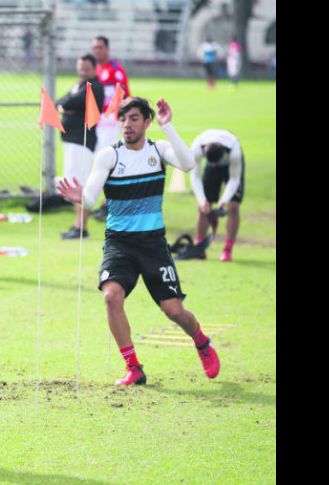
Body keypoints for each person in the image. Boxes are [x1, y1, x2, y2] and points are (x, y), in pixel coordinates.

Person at [56, 96, 221, 386]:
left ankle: (201, 341)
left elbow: (187, 164)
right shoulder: (109, 156)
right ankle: (134, 367)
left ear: (147, 122)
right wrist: (79, 197)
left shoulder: (159, 150)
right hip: (119, 244)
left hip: (153, 244)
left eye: (134, 119)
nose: (127, 125)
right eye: (124, 120)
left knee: (173, 310)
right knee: (111, 297)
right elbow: (91, 197)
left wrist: (168, 125)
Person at [55, 53, 104, 240]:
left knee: (80, 184)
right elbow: (60, 102)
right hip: (72, 142)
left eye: (86, 69)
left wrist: (67, 107)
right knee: (75, 183)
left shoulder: (94, 87)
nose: (83, 72)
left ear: (94, 69)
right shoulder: (79, 85)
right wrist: (66, 107)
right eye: (81, 68)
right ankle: (78, 226)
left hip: (82, 142)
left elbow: (69, 102)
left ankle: (81, 227)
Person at [89, 35, 131, 222]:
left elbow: (125, 97)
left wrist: (123, 119)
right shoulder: (95, 69)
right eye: (94, 48)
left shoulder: (115, 71)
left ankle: (109, 204)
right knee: (100, 161)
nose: (96, 51)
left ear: (107, 49)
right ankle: (105, 203)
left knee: (109, 161)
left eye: (99, 47)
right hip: (98, 123)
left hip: (111, 123)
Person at [189, 129, 245, 261]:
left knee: (233, 207)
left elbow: (234, 179)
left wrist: (224, 200)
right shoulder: (197, 147)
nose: (215, 165)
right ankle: (199, 247)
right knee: (204, 207)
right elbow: (195, 176)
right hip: (212, 162)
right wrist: (202, 200)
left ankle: (227, 249)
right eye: (212, 163)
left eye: (216, 163)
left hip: (232, 168)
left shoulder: (234, 151)